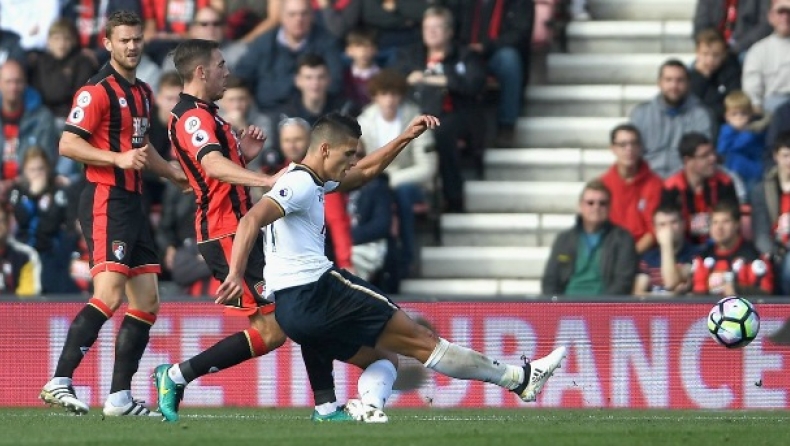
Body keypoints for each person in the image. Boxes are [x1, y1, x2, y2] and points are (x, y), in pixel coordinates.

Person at [215, 112, 568, 415]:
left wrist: (406, 136)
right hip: (318, 290)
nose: (351, 160)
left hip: (292, 313)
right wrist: (234, 272)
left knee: (383, 359)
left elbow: (365, 172)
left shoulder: (311, 180)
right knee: (421, 340)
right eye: (347, 153)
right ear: (324, 149)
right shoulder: (300, 184)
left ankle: (368, 409)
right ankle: (519, 379)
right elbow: (250, 220)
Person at [152, 39, 394, 424]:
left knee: (291, 314)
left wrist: (242, 155)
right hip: (226, 231)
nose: (226, 71)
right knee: (280, 324)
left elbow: (209, 172)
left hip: (238, 225)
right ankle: (179, 375)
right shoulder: (193, 118)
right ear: (200, 72)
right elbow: (212, 168)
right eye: (220, 65)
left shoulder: (206, 115)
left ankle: (324, 406)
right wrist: (263, 177)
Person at [39, 10, 189, 418]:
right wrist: (116, 158)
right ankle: (59, 379)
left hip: (133, 203)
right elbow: (69, 145)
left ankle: (119, 397)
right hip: (106, 198)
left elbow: (141, 149)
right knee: (107, 295)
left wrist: (174, 174)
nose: (132, 45)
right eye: (124, 39)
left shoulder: (142, 91)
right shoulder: (96, 90)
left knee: (147, 301)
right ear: (107, 43)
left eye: (137, 39)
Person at [541, 179, 638, 296]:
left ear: (610, 207)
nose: (596, 207)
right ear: (580, 206)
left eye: (602, 203)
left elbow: (623, 283)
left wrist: (600, 307)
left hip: (605, 308)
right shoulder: (564, 239)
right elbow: (550, 281)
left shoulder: (623, 239)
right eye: (590, 203)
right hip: (565, 307)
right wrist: (556, 306)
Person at [630, 59, 715, 178]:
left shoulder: (701, 115)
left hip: (685, 183)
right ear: (659, 83)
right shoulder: (641, 113)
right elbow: (631, 153)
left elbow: (702, 156)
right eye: (668, 80)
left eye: (680, 80)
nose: (674, 86)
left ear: (688, 83)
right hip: (647, 181)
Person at [661, 132, 739, 246]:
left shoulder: (724, 182)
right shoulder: (671, 188)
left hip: (719, 246)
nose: (712, 159)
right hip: (683, 249)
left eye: (712, 153)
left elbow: (732, 220)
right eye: (704, 156)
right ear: (687, 161)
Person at [600, 124, 664, 255]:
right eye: (623, 145)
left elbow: (654, 230)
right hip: (611, 252)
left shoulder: (656, 184)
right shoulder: (603, 185)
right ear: (613, 149)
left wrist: (630, 255)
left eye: (633, 143)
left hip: (647, 253)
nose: (629, 149)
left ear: (640, 147)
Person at [691, 200, 774, 295]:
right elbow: (698, 296)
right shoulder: (703, 257)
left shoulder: (753, 257)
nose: (719, 227)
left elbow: (766, 295)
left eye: (725, 222)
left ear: (737, 224)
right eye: (715, 222)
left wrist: (737, 290)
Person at [633, 205, 698, 295]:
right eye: (662, 224)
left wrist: (666, 245)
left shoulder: (695, 254)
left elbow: (671, 283)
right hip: (653, 308)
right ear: (655, 229)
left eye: (673, 222)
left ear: (683, 224)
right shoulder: (648, 258)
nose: (669, 229)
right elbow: (637, 293)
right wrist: (667, 296)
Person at [716, 90, 768, 192]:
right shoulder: (726, 130)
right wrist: (743, 134)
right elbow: (722, 150)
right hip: (733, 173)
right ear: (727, 116)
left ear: (750, 115)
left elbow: (762, 149)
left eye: (743, 114)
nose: (739, 117)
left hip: (754, 172)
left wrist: (749, 132)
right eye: (734, 114)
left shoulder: (756, 130)